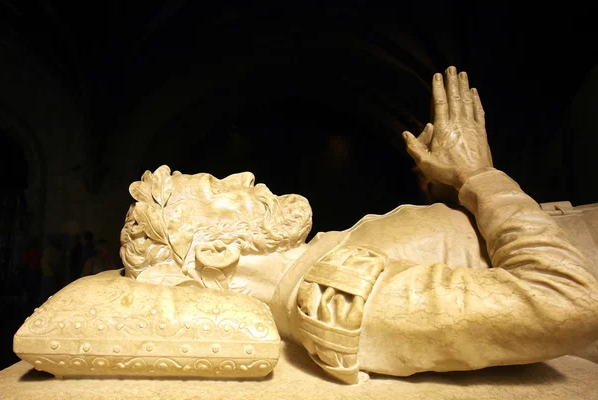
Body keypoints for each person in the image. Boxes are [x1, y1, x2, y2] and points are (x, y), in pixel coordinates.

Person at [113, 66, 597, 383]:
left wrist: (454, 194)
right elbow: (566, 300)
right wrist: (480, 175)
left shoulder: (325, 260)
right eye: (220, 190)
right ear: (217, 253)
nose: (244, 176)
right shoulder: (337, 293)